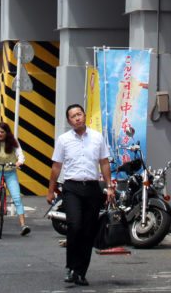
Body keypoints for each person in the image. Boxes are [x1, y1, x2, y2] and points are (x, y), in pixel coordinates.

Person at [47, 104, 114, 287]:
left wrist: (109, 186)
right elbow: (56, 166)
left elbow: (104, 163)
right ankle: (70, 267)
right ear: (69, 121)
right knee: (74, 225)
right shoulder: (64, 140)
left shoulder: (97, 138)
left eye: (79, 114)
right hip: (72, 188)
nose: (77, 118)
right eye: (73, 116)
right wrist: (51, 190)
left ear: (84, 116)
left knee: (88, 232)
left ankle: (80, 272)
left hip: (92, 188)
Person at [0, 122, 30, 236]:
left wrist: (19, 162)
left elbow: (21, 155)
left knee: (17, 197)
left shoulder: (13, 142)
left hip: (10, 172)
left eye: (2, 132)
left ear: (6, 133)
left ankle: (23, 225)